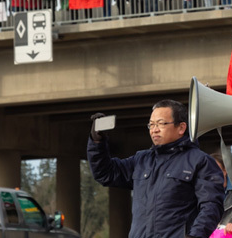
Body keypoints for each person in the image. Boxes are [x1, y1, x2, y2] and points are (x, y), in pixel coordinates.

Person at [87, 100, 224, 238]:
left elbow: (211, 206)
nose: (154, 129)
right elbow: (105, 173)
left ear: (181, 128)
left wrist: (195, 236)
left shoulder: (200, 161)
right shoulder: (141, 160)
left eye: (161, 123)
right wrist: (97, 141)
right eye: (151, 124)